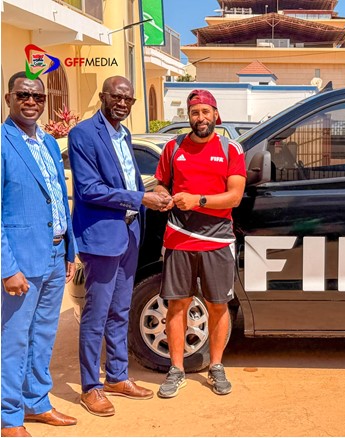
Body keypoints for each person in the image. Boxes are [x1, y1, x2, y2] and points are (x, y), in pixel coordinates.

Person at [68, 76, 171, 417]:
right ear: (103, 96)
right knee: (96, 313)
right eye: (117, 96)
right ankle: (90, 387)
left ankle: (116, 376)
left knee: (121, 310)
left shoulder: (124, 134)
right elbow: (89, 189)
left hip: (129, 233)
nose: (123, 103)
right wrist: (141, 198)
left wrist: (151, 195)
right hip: (101, 237)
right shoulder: (83, 134)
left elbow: (126, 180)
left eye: (129, 99)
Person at [154, 89, 246, 398]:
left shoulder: (230, 149)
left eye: (206, 112)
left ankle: (216, 366)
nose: (201, 117)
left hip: (217, 239)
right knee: (177, 304)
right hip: (179, 238)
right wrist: (164, 197)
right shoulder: (173, 147)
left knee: (218, 305)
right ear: (189, 116)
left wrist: (198, 200)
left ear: (216, 115)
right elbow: (161, 185)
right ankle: (176, 369)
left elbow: (234, 196)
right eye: (195, 112)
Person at [1, 71, 77, 437]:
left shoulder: (47, 143)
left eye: (38, 96)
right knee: (14, 339)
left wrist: (69, 250)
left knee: (43, 335)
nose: (31, 101)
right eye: (23, 95)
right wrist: (7, 267)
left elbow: (58, 198)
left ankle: (37, 402)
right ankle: (9, 416)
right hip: (21, 262)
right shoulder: (3, 143)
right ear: (9, 99)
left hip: (55, 255)